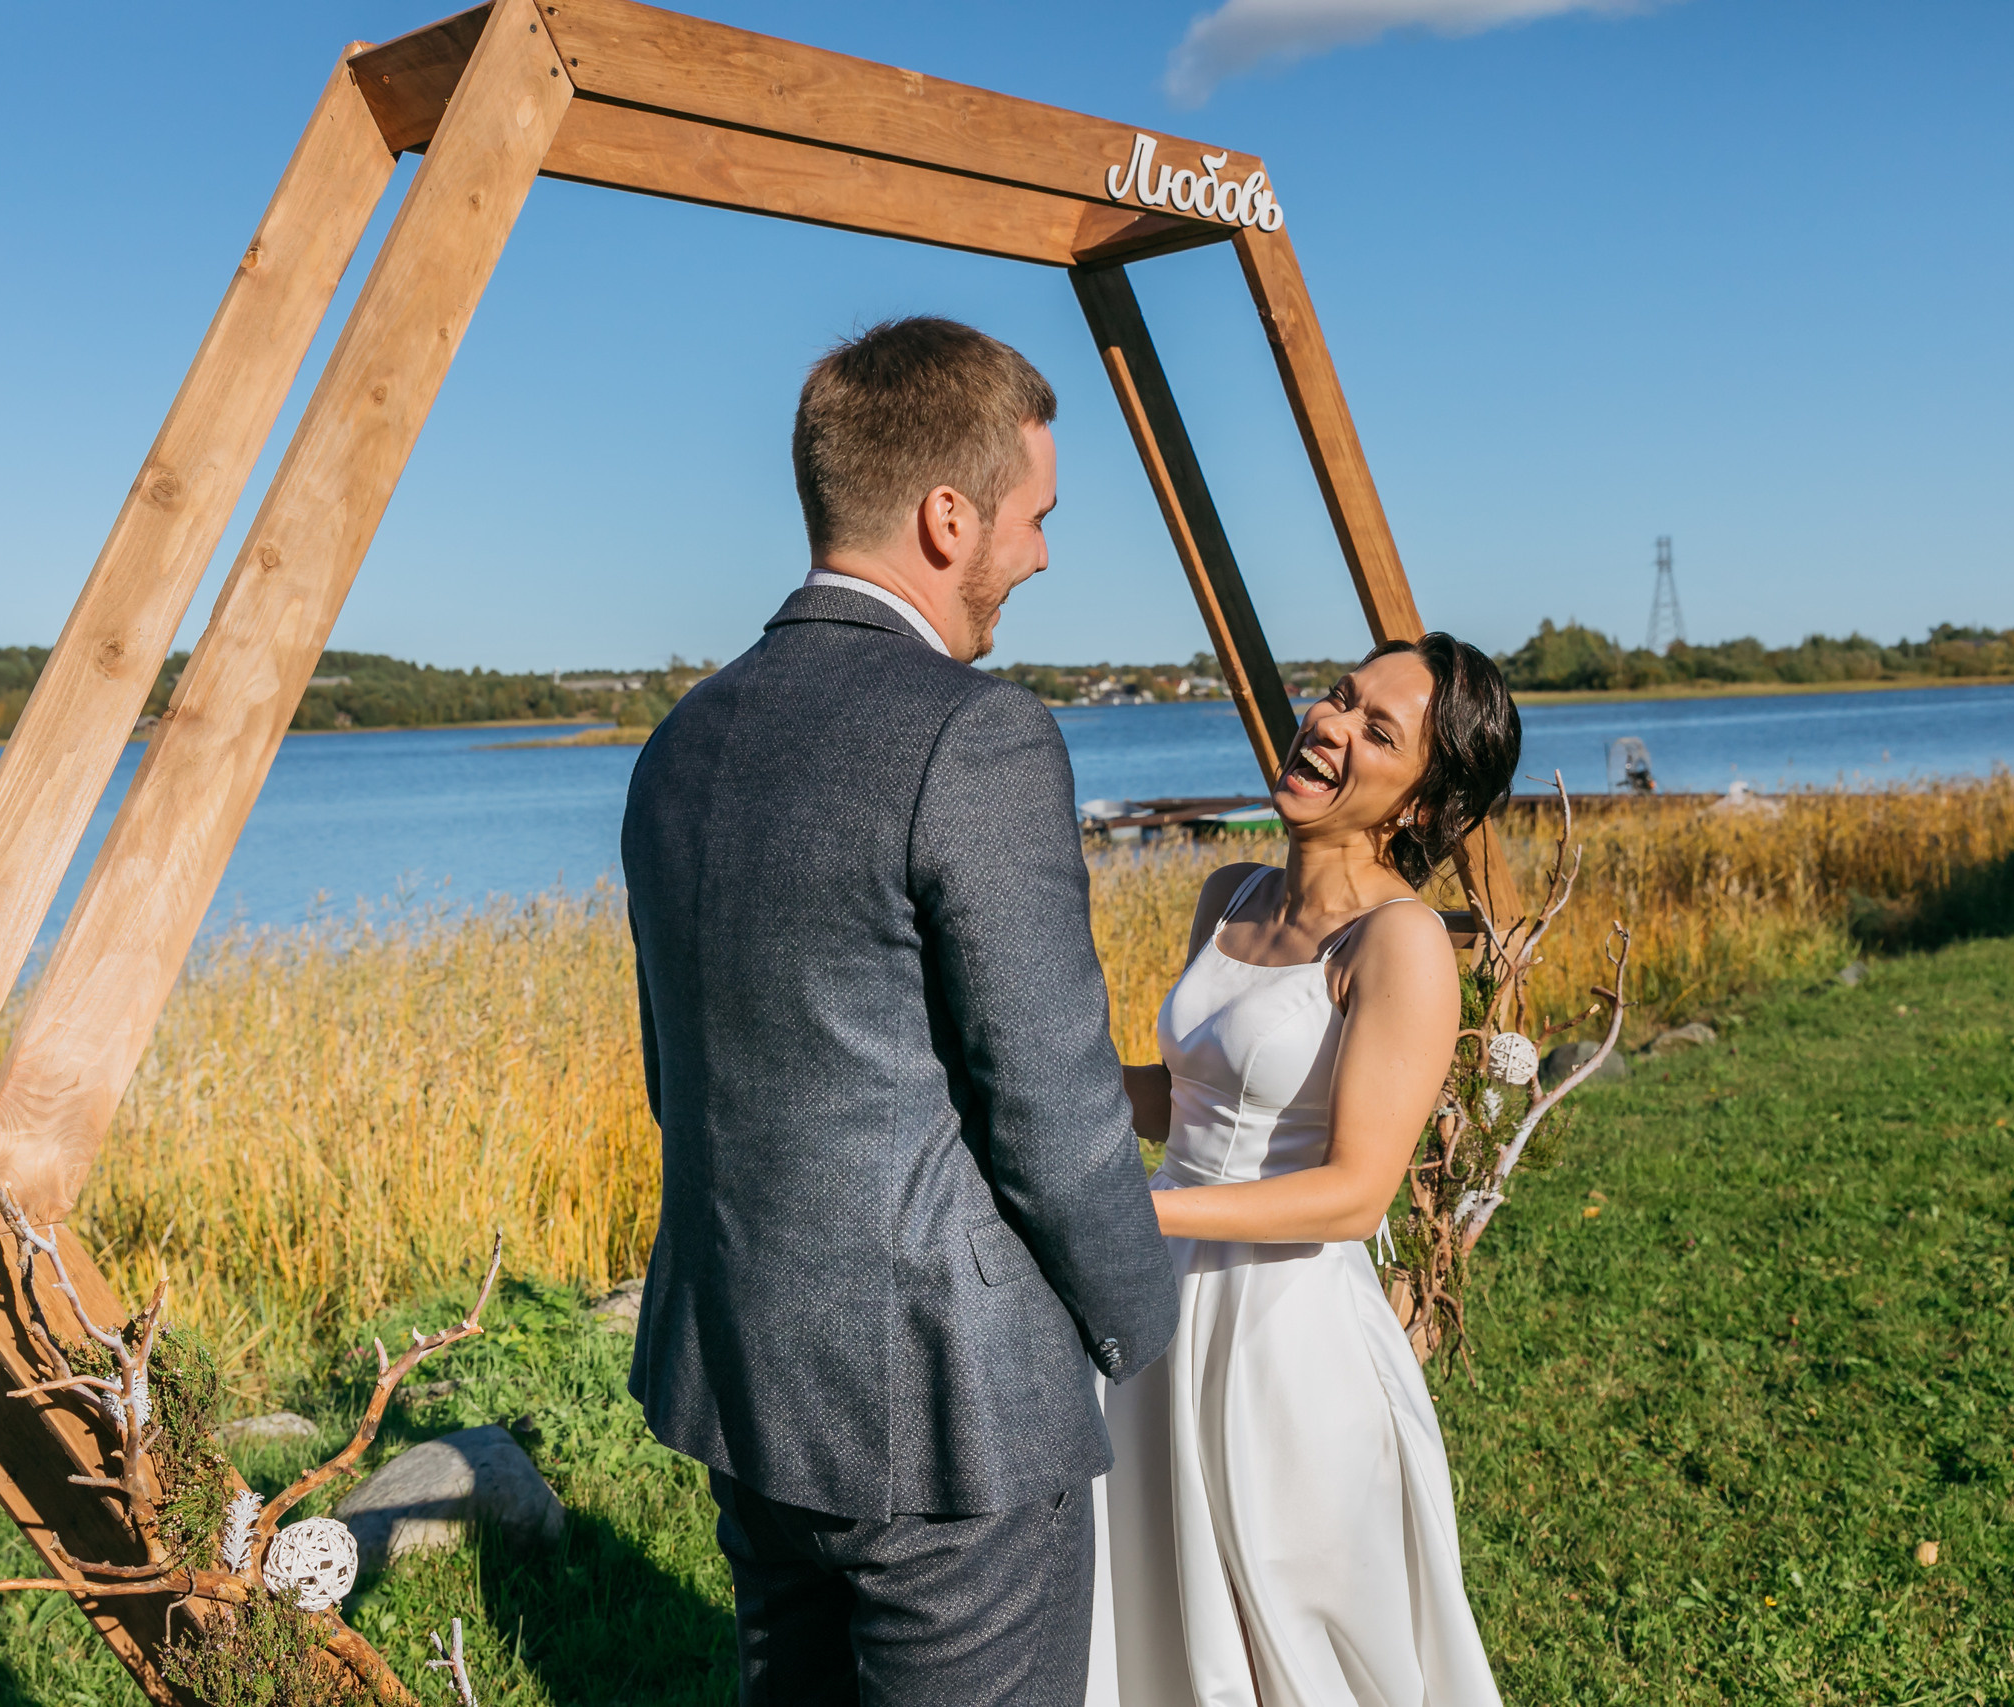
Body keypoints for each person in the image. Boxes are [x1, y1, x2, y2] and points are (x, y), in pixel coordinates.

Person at [621, 317, 1179, 1705]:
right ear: (948, 515)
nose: (1041, 552)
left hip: (747, 1376)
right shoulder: (975, 732)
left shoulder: (680, 739)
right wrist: (1147, 1327)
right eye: (1035, 515)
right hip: (950, 1410)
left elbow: (675, 1075)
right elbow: (1053, 1108)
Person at [1089, 635, 1520, 1707]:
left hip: (1282, 1340)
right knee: (1157, 1618)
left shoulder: (1400, 943)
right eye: (1338, 698)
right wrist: (1040, 1084)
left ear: (1421, 804)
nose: (1329, 724)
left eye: (1377, 730)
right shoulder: (1229, 894)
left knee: (1297, 1642)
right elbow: (1182, 1100)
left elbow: (1356, 1192)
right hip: (1159, 1316)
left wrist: (1137, 1218)